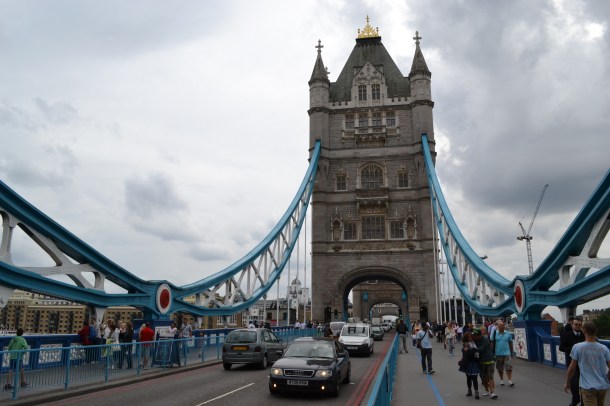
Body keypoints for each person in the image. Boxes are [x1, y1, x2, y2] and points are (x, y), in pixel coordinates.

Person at [564, 321, 610, 406]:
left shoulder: (577, 347)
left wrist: (568, 382)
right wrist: (607, 379)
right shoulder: (604, 348)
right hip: (602, 386)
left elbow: (572, 368)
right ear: (596, 331)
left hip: (588, 386)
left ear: (584, 331)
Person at [560, 317, 585, 406]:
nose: (578, 326)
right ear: (572, 325)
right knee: (574, 384)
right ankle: (576, 399)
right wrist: (573, 349)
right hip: (572, 363)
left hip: (583, 364)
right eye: (576, 324)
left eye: (579, 325)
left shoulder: (585, 335)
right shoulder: (567, 335)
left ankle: (583, 401)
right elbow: (561, 348)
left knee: (584, 386)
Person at [473, 328, 497, 399]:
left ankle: (492, 392)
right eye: (474, 335)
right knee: (484, 377)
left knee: (490, 376)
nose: (474, 336)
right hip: (481, 361)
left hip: (489, 360)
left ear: (479, 335)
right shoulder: (474, 340)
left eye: (475, 335)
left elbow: (482, 348)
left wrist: (474, 350)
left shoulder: (485, 339)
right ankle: (486, 390)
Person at [490, 320, 514, 387]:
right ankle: (502, 380)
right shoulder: (494, 333)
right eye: (501, 325)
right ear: (498, 326)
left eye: (503, 325)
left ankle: (510, 380)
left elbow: (510, 343)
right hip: (498, 353)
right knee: (500, 368)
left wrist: (511, 352)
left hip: (507, 353)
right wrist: (492, 353)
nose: (502, 326)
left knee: (509, 367)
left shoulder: (508, 333)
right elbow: (492, 343)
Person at [459, 333, 481, 399]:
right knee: (468, 378)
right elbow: (466, 354)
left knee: (474, 378)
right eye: (469, 337)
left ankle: (476, 392)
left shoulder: (476, 343)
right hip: (468, 363)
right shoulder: (466, 344)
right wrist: (473, 350)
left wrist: (472, 350)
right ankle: (469, 391)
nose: (470, 338)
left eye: (471, 336)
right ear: (466, 338)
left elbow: (478, 351)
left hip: (475, 362)